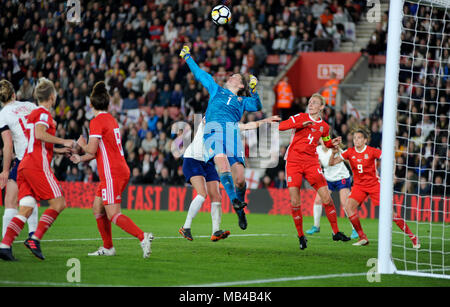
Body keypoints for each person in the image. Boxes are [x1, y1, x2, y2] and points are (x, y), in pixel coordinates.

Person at [180, 45, 262, 231]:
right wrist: (187, 57)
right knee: (222, 164)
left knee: (240, 179)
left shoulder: (241, 101)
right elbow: (200, 74)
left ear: (241, 85)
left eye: (235, 77)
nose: (230, 77)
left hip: (232, 134)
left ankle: (240, 210)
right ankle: (234, 200)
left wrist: (254, 90)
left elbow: (256, 105)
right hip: (213, 131)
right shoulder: (216, 89)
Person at [70, 81, 154, 258]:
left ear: (91, 104)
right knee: (97, 208)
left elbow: (92, 149)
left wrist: (82, 144)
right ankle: (108, 247)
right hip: (117, 169)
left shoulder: (96, 121)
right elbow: (99, 152)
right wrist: (80, 158)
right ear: (108, 104)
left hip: (111, 173)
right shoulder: (111, 119)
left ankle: (142, 236)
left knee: (113, 214)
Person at [0, 78, 75, 261]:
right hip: (36, 164)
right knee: (59, 204)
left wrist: (57, 150)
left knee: (25, 207)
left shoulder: (30, 114)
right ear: (52, 97)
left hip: (23, 163)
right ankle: (35, 238)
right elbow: (40, 135)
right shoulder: (37, 111)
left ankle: (4, 245)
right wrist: (64, 141)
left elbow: (33, 141)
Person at [179, 115, 280, 242]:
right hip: (193, 159)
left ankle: (215, 231)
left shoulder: (227, 123)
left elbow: (246, 126)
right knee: (202, 194)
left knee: (216, 197)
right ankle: (186, 227)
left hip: (207, 162)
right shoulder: (211, 116)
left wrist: (264, 121)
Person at [278, 93, 351, 250]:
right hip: (293, 161)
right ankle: (301, 236)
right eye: (309, 102)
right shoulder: (300, 117)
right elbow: (281, 126)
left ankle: (336, 232)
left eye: (314, 103)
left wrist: (333, 143)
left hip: (311, 162)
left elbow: (326, 142)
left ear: (321, 107)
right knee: (296, 202)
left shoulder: (324, 127)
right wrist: (298, 125)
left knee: (327, 198)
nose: (310, 105)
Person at [329, 127, 420, 248]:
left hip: (374, 185)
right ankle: (362, 237)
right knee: (348, 207)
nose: (356, 140)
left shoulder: (372, 151)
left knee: (390, 213)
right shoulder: (349, 152)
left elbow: (390, 159)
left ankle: (412, 237)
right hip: (359, 186)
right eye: (355, 138)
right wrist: (333, 153)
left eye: (359, 138)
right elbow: (331, 163)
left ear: (365, 140)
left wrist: (392, 175)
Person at [0, 80, 39, 239]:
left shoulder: (3, 114)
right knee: (28, 197)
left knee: (10, 201)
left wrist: (5, 170)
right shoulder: (30, 106)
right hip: (38, 157)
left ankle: (4, 245)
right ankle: (33, 236)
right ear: (15, 94)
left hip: (24, 159)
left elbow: (8, 145)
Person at [305, 139, 358, 240]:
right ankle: (316, 226)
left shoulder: (335, 148)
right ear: (319, 141)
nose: (323, 141)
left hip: (341, 177)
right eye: (321, 139)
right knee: (318, 201)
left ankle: (354, 229)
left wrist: (355, 173)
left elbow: (347, 159)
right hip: (328, 179)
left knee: (345, 203)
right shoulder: (317, 150)